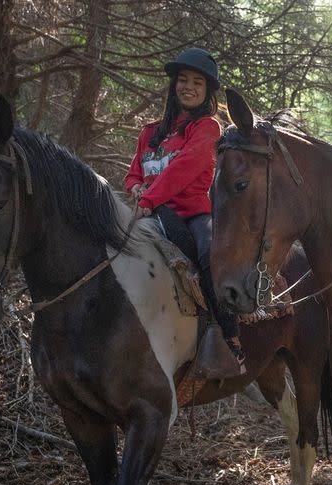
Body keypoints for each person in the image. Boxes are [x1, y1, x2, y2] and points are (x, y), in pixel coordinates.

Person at [124, 47, 245, 379]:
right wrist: (135, 187)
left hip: (192, 215)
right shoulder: (150, 132)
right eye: (182, 80)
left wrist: (148, 199)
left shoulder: (207, 127)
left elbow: (184, 169)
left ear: (207, 91)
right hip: (152, 211)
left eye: (197, 82)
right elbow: (134, 171)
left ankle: (226, 335)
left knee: (209, 253)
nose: (188, 87)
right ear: (173, 85)